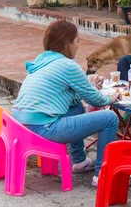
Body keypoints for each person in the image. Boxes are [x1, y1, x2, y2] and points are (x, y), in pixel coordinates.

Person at [12, 20, 123, 187]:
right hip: (45, 128)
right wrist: (111, 98)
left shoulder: (42, 60)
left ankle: (79, 161)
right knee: (109, 118)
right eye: (77, 41)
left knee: (74, 106)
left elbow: (68, 97)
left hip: (21, 126)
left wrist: (89, 87)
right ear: (68, 43)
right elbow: (95, 99)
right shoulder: (67, 65)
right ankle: (103, 175)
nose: (78, 45)